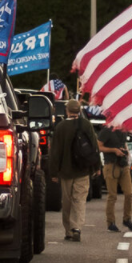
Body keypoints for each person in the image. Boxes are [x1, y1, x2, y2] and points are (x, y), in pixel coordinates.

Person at [47, 98, 98, 242]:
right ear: (80, 110)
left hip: (65, 171)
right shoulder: (87, 125)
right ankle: (77, 227)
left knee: (67, 201)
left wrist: (53, 172)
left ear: (67, 110)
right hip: (83, 169)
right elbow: (94, 147)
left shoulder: (61, 127)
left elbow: (55, 152)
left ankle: (69, 230)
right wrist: (96, 167)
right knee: (80, 199)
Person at [98, 123, 132, 232]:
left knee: (129, 193)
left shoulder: (123, 130)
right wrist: (114, 150)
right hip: (111, 165)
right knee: (112, 195)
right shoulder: (106, 131)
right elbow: (99, 146)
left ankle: (127, 219)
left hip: (123, 164)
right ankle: (111, 222)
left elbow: (124, 144)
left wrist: (126, 152)